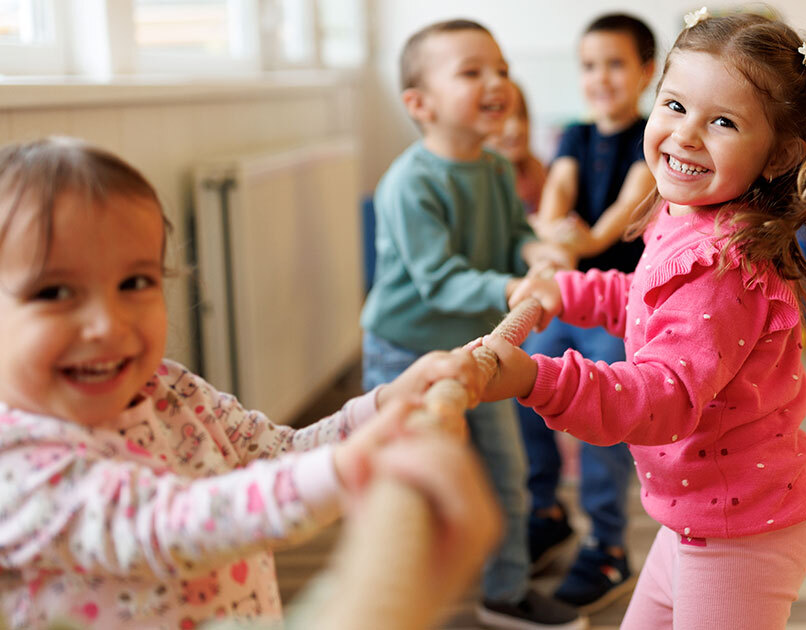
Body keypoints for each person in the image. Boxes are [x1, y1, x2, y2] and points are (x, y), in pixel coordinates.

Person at [477, 10, 806, 629]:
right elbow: (646, 300)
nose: (686, 135)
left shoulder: (721, 266)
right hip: (697, 516)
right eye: (674, 105)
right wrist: (568, 292)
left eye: (722, 121)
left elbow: (660, 400)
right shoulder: (690, 215)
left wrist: (536, 379)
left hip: (737, 535)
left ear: (779, 154)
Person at [0, 137, 502, 629]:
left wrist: (387, 404)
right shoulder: (15, 462)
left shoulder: (171, 390)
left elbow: (281, 453)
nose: (107, 324)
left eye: (135, 283)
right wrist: (351, 468)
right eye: (55, 292)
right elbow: (166, 524)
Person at [357, 18, 582, 630]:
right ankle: (392, 598)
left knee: (506, 474)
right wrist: (514, 284)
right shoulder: (409, 182)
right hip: (403, 353)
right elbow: (439, 278)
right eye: (472, 71)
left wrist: (533, 253)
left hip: (477, 351)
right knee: (408, 484)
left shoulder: (492, 168)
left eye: (502, 69)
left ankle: (505, 591)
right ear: (419, 104)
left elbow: (512, 238)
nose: (497, 82)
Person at [516, 13, 658, 613]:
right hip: (569, 297)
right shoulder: (573, 135)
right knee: (525, 384)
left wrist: (574, 241)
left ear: (647, 72)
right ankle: (547, 512)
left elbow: (623, 215)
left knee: (603, 416)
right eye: (590, 65)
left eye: (616, 63)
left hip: (617, 308)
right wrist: (551, 231)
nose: (601, 77)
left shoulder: (655, 135)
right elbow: (559, 191)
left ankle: (606, 544)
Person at [485, 83, 546, 215]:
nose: (515, 129)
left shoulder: (536, 170)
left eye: (521, 115)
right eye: (503, 118)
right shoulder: (482, 178)